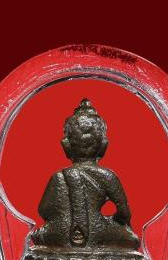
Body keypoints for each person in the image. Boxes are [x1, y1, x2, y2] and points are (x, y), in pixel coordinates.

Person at [31, 98, 140, 250]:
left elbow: (44, 210)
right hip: (99, 231)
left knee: (39, 235)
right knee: (131, 239)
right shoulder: (107, 176)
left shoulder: (58, 176)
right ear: (103, 145)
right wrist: (112, 221)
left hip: (61, 233)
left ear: (66, 145)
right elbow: (124, 213)